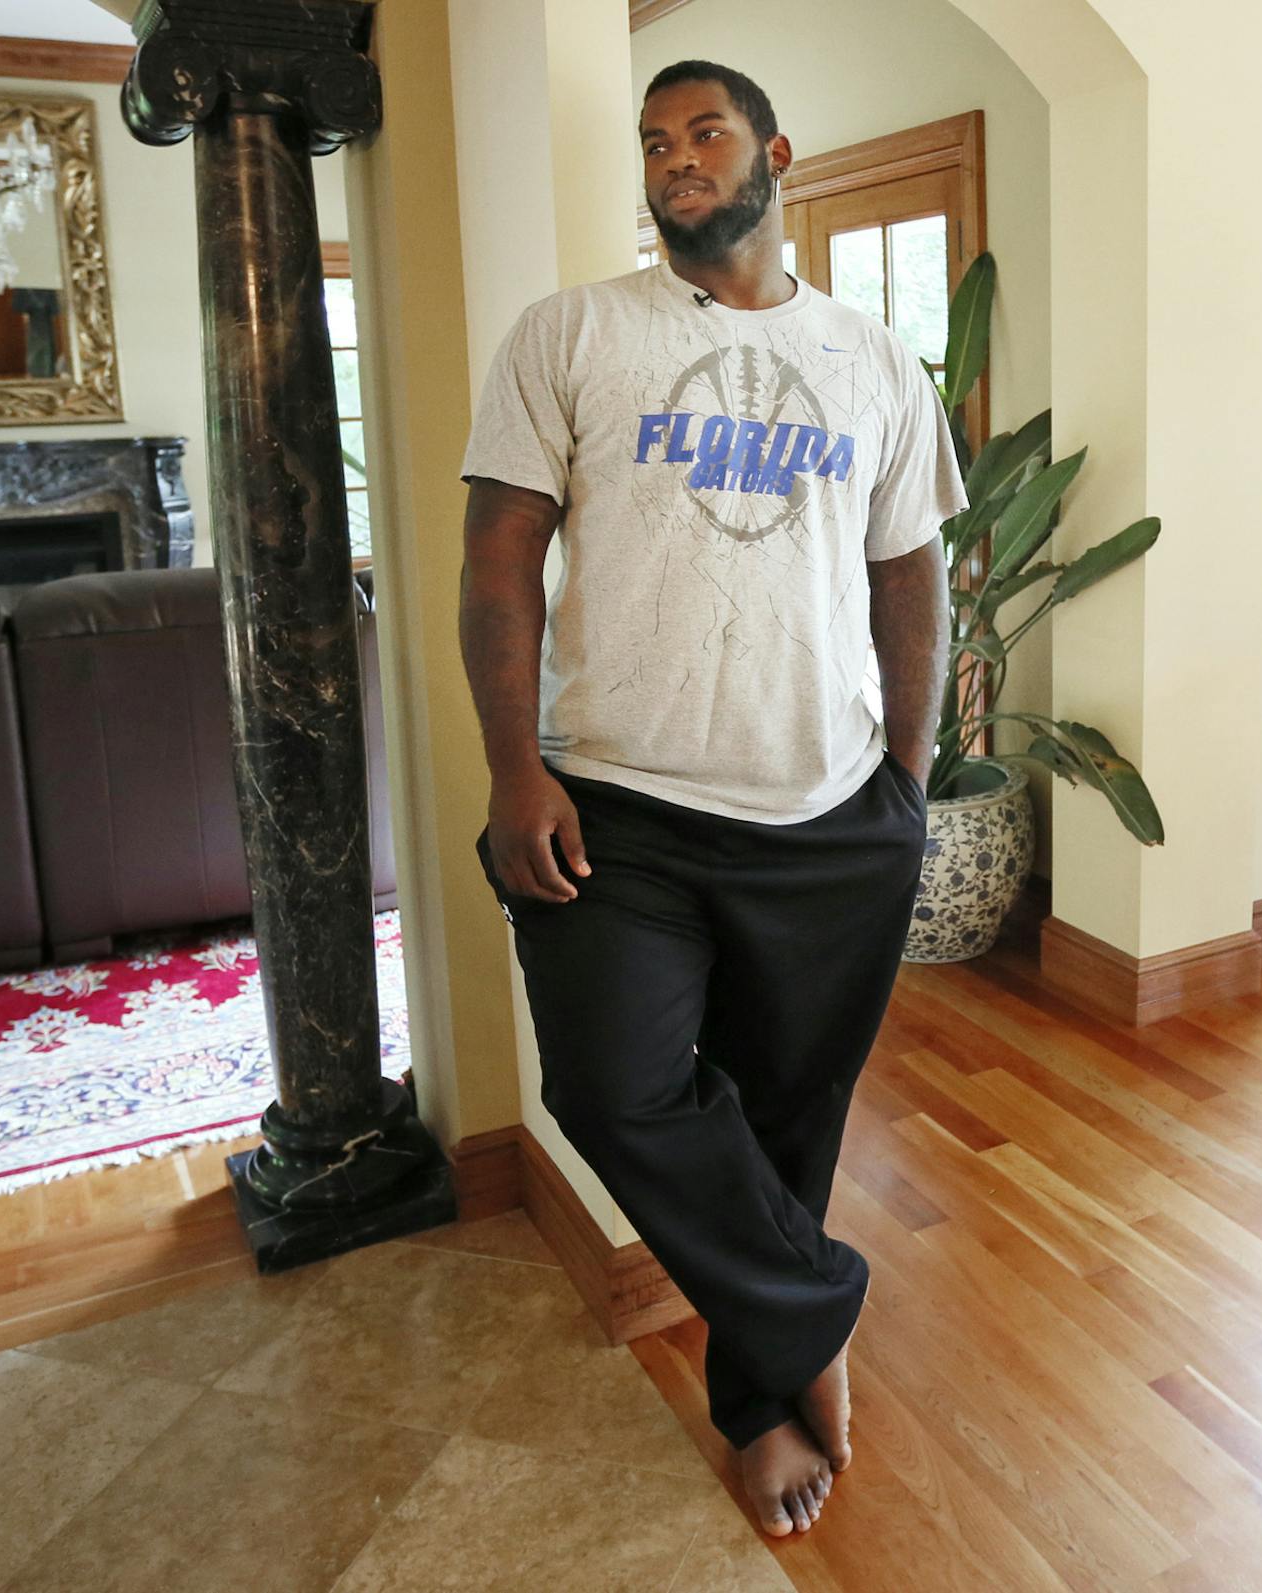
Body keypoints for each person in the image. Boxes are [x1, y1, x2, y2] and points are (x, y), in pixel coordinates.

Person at [457, 59, 962, 1540]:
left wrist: (911, 777)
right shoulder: (572, 335)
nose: (677, 158)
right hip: (617, 804)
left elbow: (910, 573)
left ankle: (762, 1400)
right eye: (657, 142)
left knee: (790, 1121)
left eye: (707, 133)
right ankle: (819, 1313)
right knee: (608, 1084)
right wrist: (510, 766)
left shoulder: (873, 360)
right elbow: (497, 566)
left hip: (827, 810)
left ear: (774, 154)